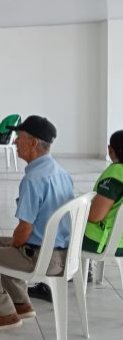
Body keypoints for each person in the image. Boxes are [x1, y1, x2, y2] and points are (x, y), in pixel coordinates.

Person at [0, 115, 73, 331]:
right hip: (63, 254)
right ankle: (21, 303)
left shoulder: (33, 179)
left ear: (33, 143)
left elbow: (24, 229)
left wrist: (15, 246)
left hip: (43, 257)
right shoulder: (60, 171)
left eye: (18, 137)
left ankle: (3, 314)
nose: (14, 142)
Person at [29, 129, 123, 302]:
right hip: (119, 239)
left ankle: (51, 281)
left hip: (104, 242)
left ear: (111, 150)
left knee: (59, 228)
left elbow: (95, 216)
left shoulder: (116, 174)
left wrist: (76, 209)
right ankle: (81, 268)